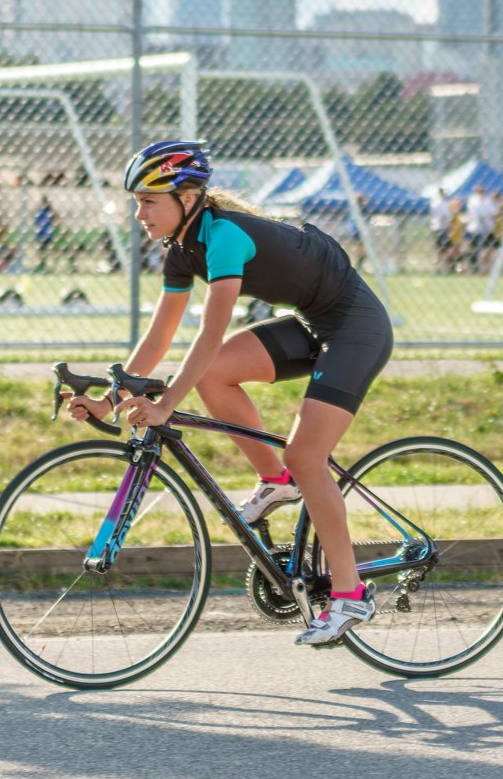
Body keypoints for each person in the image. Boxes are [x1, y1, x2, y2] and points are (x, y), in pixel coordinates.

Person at [64, 140, 393, 648]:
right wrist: (110, 399)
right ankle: (276, 481)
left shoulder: (225, 237)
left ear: (188, 196)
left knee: (309, 455)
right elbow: (159, 336)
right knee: (216, 374)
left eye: (149, 201)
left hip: (356, 328)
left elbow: (210, 331)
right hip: (312, 323)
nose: (139, 214)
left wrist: (167, 403)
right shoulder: (182, 249)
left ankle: (350, 596)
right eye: (136, 202)